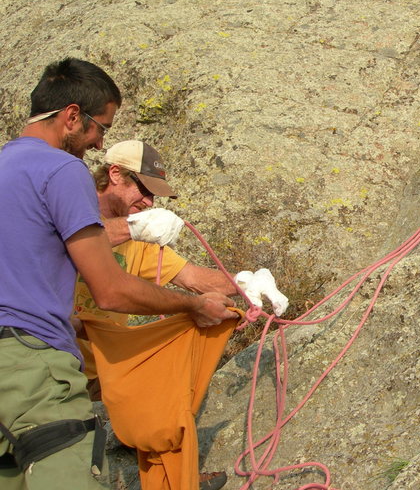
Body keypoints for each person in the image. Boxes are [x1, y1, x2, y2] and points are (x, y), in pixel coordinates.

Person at [0, 57, 237, 490]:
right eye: (100, 128)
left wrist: (246, 286)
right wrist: (193, 307)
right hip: (33, 366)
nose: (96, 142)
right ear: (73, 116)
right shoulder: (62, 170)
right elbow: (109, 290)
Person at [73, 139, 289, 399]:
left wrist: (244, 282)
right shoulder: (71, 210)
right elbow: (68, 238)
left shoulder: (138, 240)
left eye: (154, 195)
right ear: (115, 174)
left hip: (100, 372)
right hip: (47, 363)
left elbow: (190, 276)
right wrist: (131, 226)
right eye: (144, 189)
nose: (150, 203)